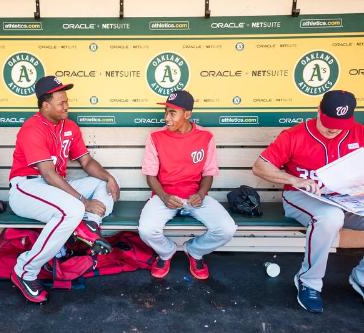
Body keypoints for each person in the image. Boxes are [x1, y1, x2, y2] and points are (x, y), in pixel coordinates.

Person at [8, 75, 120, 303]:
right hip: (27, 187)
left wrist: (109, 177)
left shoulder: (69, 126)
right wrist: (84, 201)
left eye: (67, 101)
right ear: (45, 105)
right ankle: (25, 271)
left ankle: (90, 224)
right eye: (61, 102)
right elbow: (48, 174)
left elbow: (87, 162)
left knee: (101, 184)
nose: (66, 106)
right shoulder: (32, 128)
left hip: (53, 187)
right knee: (72, 208)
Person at [252, 90, 364, 313]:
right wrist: (295, 179)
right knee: (330, 217)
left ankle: (361, 277)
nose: (333, 129)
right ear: (318, 111)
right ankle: (309, 282)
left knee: (336, 213)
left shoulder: (359, 133)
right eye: (328, 122)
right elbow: (260, 167)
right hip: (302, 196)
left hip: (347, 199)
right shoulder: (294, 135)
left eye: (339, 124)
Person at [138, 90, 237, 280]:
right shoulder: (155, 137)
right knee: (146, 229)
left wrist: (201, 193)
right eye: (165, 111)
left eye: (172, 113)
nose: (166, 118)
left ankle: (195, 251)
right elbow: (151, 176)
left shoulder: (205, 136)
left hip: (194, 196)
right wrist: (165, 197)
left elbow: (208, 173)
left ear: (187, 114)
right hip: (164, 195)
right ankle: (166, 252)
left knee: (227, 228)